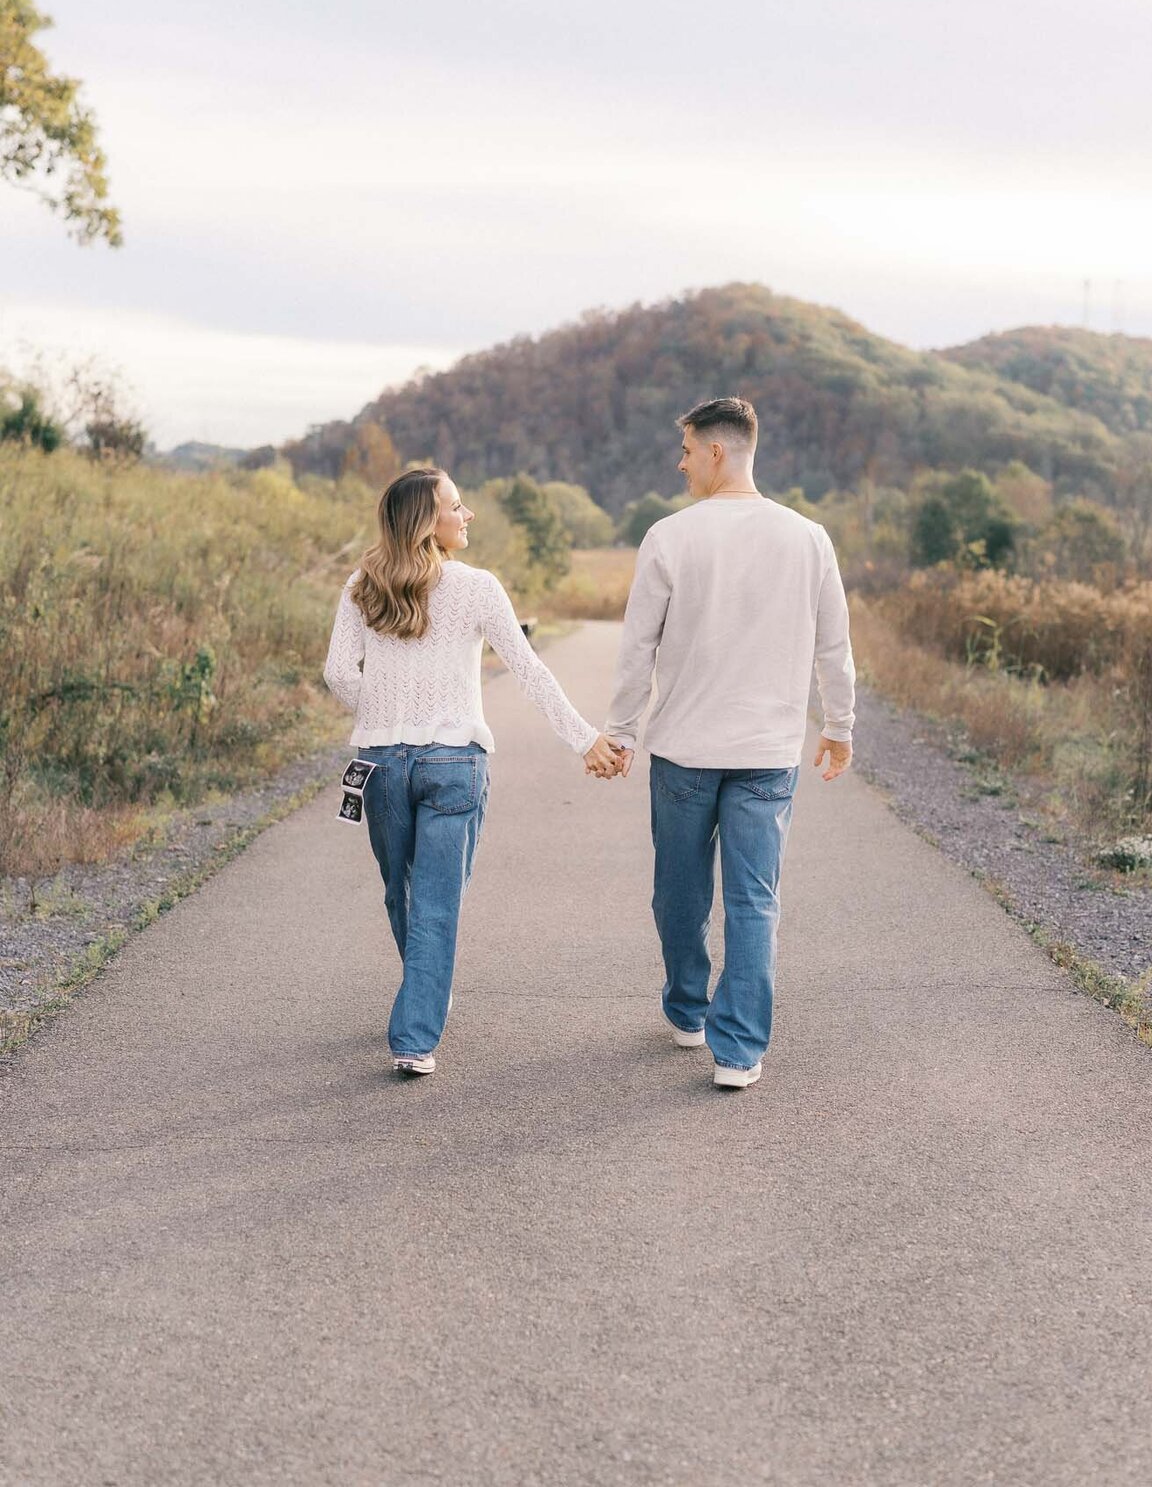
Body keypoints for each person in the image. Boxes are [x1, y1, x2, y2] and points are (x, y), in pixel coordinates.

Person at [324, 466, 623, 1077]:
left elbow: (338, 673)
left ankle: (419, 1008)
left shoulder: (362, 584)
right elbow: (528, 669)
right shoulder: (478, 587)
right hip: (455, 761)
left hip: (380, 761)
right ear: (428, 523)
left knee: (401, 889)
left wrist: (384, 712)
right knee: (435, 897)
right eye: (456, 507)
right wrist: (584, 738)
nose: (468, 516)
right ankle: (417, 1033)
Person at [603, 397, 855, 1091]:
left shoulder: (670, 536)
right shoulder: (809, 537)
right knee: (754, 899)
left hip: (685, 750)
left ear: (717, 451)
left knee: (679, 892)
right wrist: (838, 726)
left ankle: (689, 1009)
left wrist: (621, 732)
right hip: (768, 753)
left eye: (685, 449)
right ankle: (738, 1050)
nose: (679, 463)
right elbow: (835, 646)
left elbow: (636, 650)